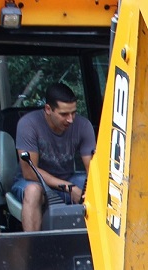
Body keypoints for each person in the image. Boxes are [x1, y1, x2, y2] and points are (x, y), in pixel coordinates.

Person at [13, 82, 96, 232]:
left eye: (73, 113)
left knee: (97, 186)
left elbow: (92, 169)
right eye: (64, 114)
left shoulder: (83, 126)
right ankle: (34, 249)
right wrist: (69, 188)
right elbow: (30, 172)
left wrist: (87, 189)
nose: (70, 119)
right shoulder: (28, 124)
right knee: (33, 191)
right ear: (48, 109)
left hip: (68, 178)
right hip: (32, 181)